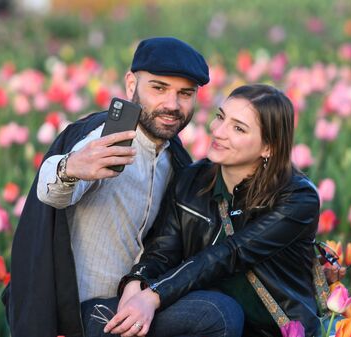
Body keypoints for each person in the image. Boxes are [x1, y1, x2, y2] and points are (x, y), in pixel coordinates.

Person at [3, 37, 244, 337]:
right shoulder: (103, 136)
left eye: (185, 93)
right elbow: (51, 192)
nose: (172, 104)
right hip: (84, 315)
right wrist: (72, 167)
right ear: (131, 85)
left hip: (137, 305)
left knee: (222, 313)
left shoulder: (176, 158)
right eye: (158, 88)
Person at [106, 84, 323, 337]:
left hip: (273, 330)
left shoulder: (297, 198)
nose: (218, 131)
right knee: (98, 316)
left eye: (238, 128)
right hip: (208, 323)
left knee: (221, 311)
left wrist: (154, 295)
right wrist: (137, 283)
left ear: (268, 147)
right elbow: (162, 252)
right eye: (220, 117)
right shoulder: (191, 181)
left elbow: (231, 253)